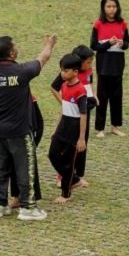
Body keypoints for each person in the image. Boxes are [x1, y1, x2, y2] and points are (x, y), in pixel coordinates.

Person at [0, 33, 58, 221]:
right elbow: (42, 59)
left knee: (0, 167)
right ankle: (28, 207)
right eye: (15, 47)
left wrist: (1, 108)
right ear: (11, 54)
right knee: (25, 167)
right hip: (19, 130)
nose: (17, 49)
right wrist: (49, 44)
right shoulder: (21, 72)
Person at [50, 45, 96, 186]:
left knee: (82, 143)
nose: (90, 65)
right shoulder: (69, 74)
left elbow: (90, 84)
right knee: (66, 147)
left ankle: (79, 175)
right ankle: (62, 176)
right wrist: (64, 103)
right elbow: (54, 87)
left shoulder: (89, 71)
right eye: (88, 62)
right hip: (71, 115)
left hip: (84, 110)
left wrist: (94, 96)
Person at [90, 0, 129, 138]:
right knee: (102, 97)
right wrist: (108, 43)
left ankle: (115, 126)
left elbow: (127, 43)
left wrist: (122, 44)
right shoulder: (98, 24)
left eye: (114, 6)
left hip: (118, 66)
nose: (111, 9)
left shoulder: (122, 24)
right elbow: (94, 45)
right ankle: (99, 128)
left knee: (117, 97)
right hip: (104, 67)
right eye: (108, 6)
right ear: (103, 8)